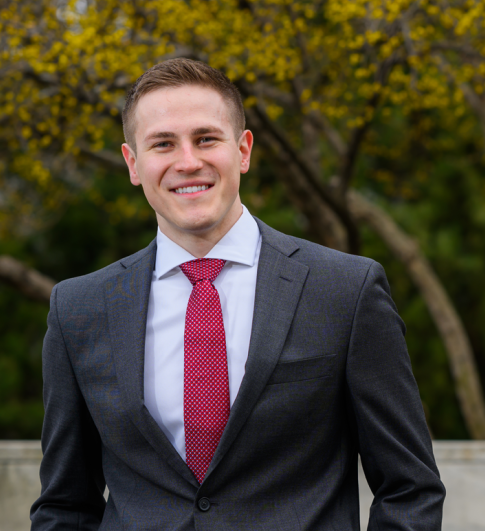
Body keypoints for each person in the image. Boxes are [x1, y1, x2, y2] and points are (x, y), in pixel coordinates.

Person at [31, 58, 445, 530]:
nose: (188, 161)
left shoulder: (345, 292)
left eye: (206, 138)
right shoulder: (78, 308)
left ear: (243, 150)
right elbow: (65, 504)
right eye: (163, 144)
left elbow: (410, 490)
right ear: (133, 163)